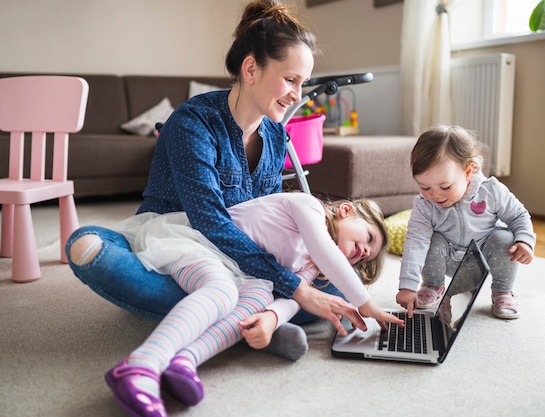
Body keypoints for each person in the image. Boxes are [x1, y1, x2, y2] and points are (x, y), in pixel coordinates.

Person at [65, 0, 366, 361]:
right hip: (178, 247)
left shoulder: (275, 138)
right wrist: (295, 289)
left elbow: (268, 221)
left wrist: (302, 273)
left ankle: (248, 321)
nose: (297, 95)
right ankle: (249, 321)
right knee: (94, 250)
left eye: (302, 83)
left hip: (243, 263)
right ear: (251, 69)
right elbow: (210, 221)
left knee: (335, 282)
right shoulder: (193, 123)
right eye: (290, 80)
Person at [104, 192, 405, 417]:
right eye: (368, 238)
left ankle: (185, 359)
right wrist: (366, 304)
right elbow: (326, 251)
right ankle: (141, 364)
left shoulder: (313, 264)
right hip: (200, 243)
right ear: (345, 210)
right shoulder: (306, 206)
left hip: (242, 272)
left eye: (366, 254)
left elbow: (294, 296)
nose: (363, 251)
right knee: (221, 292)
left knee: (259, 297)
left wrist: (272, 318)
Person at [395, 125, 536, 320]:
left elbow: (519, 215)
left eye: (445, 186)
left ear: (468, 171)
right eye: (424, 186)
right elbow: (415, 242)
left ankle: (502, 292)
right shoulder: (424, 205)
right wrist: (407, 285)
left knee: (505, 238)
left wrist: (525, 240)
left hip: (482, 259)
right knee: (429, 240)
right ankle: (433, 286)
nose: (434, 194)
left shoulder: (491, 190)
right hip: (447, 259)